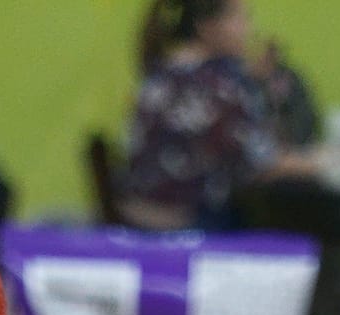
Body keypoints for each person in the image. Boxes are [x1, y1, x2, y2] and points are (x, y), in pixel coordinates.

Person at [121, 0, 318, 229]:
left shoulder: (161, 75)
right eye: (239, 18)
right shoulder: (217, 86)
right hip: (190, 223)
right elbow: (263, 164)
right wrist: (326, 162)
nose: (249, 28)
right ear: (206, 26)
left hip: (143, 214)